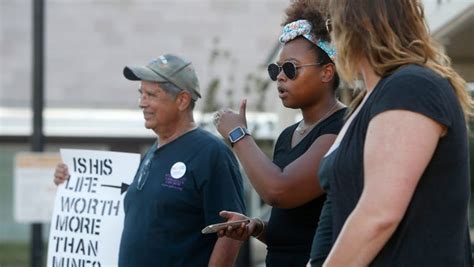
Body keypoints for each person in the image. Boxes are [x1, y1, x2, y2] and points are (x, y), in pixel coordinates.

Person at [311, 0, 473, 266]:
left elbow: (379, 215)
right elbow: (337, 212)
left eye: (333, 24)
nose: (332, 37)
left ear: (355, 26)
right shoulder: (366, 103)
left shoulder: (411, 87)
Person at [53, 54, 246, 267]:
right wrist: (73, 182)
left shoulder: (211, 153)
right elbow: (116, 208)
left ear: (181, 100)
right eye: (141, 94)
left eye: (152, 95)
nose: (142, 103)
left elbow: (231, 229)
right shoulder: (151, 155)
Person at [212, 1, 345, 266]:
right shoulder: (287, 135)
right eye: (276, 69)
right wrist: (258, 227)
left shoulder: (342, 128)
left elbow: (279, 190)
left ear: (327, 72)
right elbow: (294, 227)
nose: (280, 78)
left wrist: (239, 135)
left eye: (291, 69)